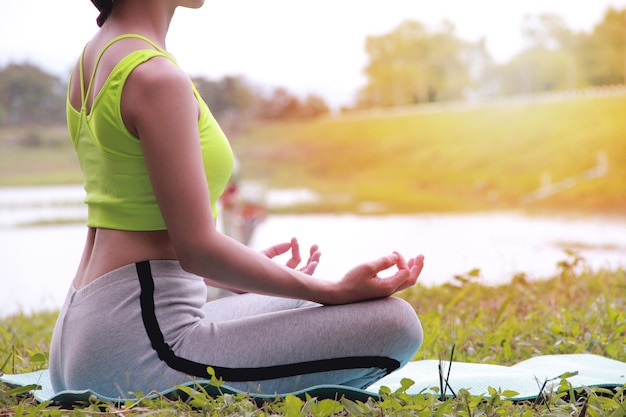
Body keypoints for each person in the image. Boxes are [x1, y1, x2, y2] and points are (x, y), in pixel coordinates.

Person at [49, 0, 425, 398]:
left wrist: (239, 271)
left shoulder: (98, 54)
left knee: (307, 308)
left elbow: (148, 229)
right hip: (141, 351)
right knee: (394, 323)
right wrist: (334, 290)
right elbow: (197, 250)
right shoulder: (156, 78)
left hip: (88, 334)